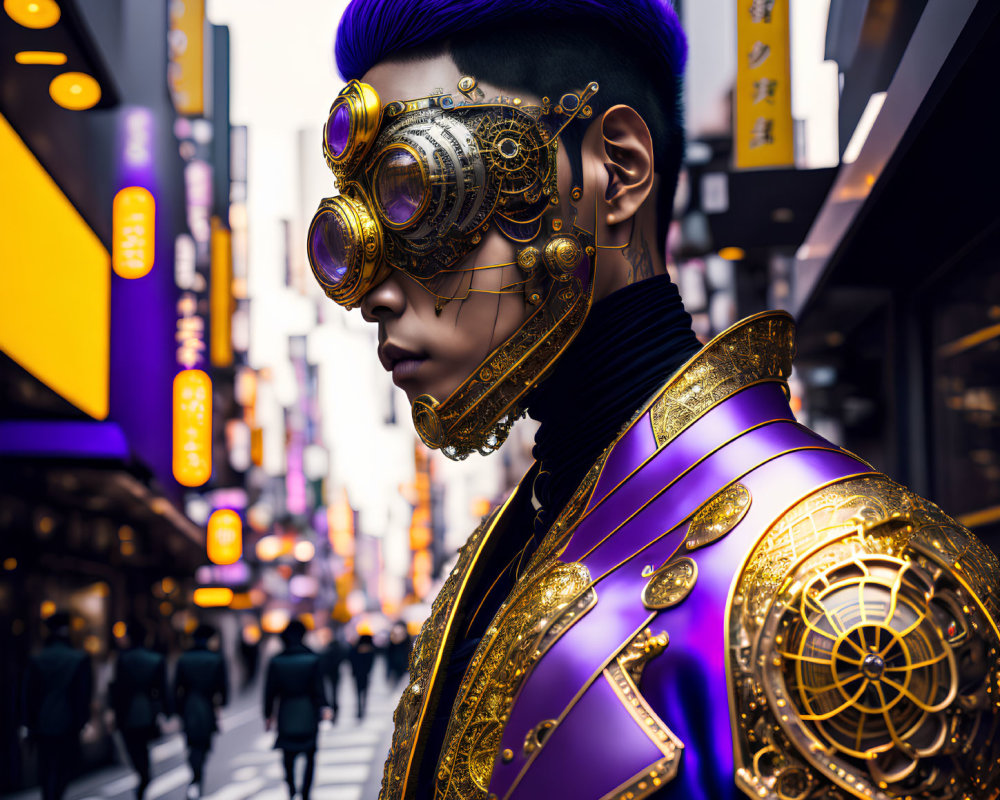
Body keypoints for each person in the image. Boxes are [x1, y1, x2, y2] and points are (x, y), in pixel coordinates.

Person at [307, 1, 1000, 798]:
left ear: (619, 172)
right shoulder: (511, 547)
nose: (374, 293)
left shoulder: (849, 599)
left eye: (419, 195)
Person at [22, 611, 92, 800]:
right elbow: (83, 695)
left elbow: (29, 696)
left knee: (45, 770)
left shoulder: (37, 659)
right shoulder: (79, 659)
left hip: (43, 723)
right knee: (64, 770)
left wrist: (29, 725)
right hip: (68, 722)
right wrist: (82, 721)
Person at [264, 620, 329, 800]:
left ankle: (292, 790)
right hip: (308, 712)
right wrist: (324, 706)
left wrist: (268, 715)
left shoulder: (276, 661)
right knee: (310, 756)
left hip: (286, 712)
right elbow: (319, 689)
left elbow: (270, 692)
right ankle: (306, 793)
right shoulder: (313, 659)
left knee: (287, 756)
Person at [109, 620, 168, 799]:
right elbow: (162, 691)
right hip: (148, 713)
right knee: (143, 752)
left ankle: (142, 781)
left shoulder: (122, 659)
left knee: (135, 752)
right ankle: (144, 780)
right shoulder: (156, 659)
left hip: (127, 714)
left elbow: (117, 691)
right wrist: (166, 712)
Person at [173, 624, 227, 799]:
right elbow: (223, 689)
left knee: (192, 743)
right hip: (207, 705)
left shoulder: (183, 659)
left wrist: (177, 709)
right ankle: (196, 780)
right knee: (203, 745)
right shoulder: (216, 659)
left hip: (189, 706)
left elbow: (176, 687)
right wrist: (221, 703)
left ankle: (195, 780)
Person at [320, 627, 347, 721]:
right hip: (335, 673)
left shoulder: (327, 649)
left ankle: (333, 710)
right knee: (334, 693)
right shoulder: (336, 649)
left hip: (331, 673)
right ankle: (333, 710)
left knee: (331, 692)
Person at [348, 633, 375, 720]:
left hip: (359, 674)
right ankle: (361, 709)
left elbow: (352, 660)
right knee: (362, 693)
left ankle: (360, 710)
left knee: (359, 693)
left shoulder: (356, 650)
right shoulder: (369, 651)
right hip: (363, 674)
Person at [385, 622, 411, 688]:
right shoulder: (391, 644)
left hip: (403, 670)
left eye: (401, 633)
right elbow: (388, 659)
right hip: (394, 669)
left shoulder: (407, 643)